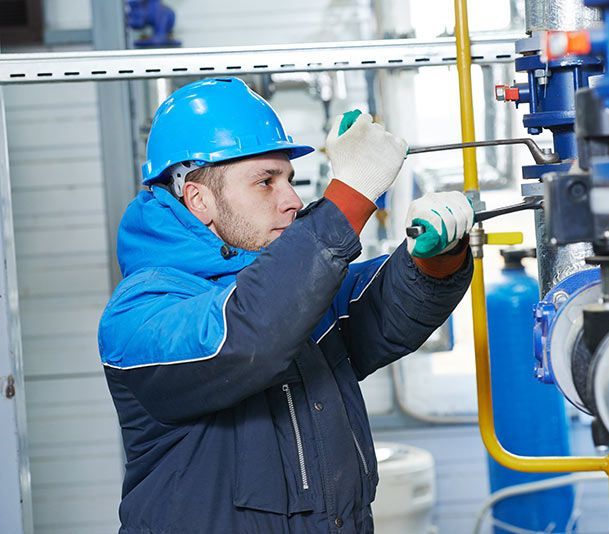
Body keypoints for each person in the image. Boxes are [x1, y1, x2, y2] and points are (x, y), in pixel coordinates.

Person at [97, 77, 474, 533]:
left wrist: (434, 256)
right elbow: (246, 336)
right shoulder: (141, 311)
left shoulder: (292, 286)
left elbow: (376, 309)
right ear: (198, 199)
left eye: (290, 180)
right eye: (265, 182)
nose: (293, 201)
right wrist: (350, 197)